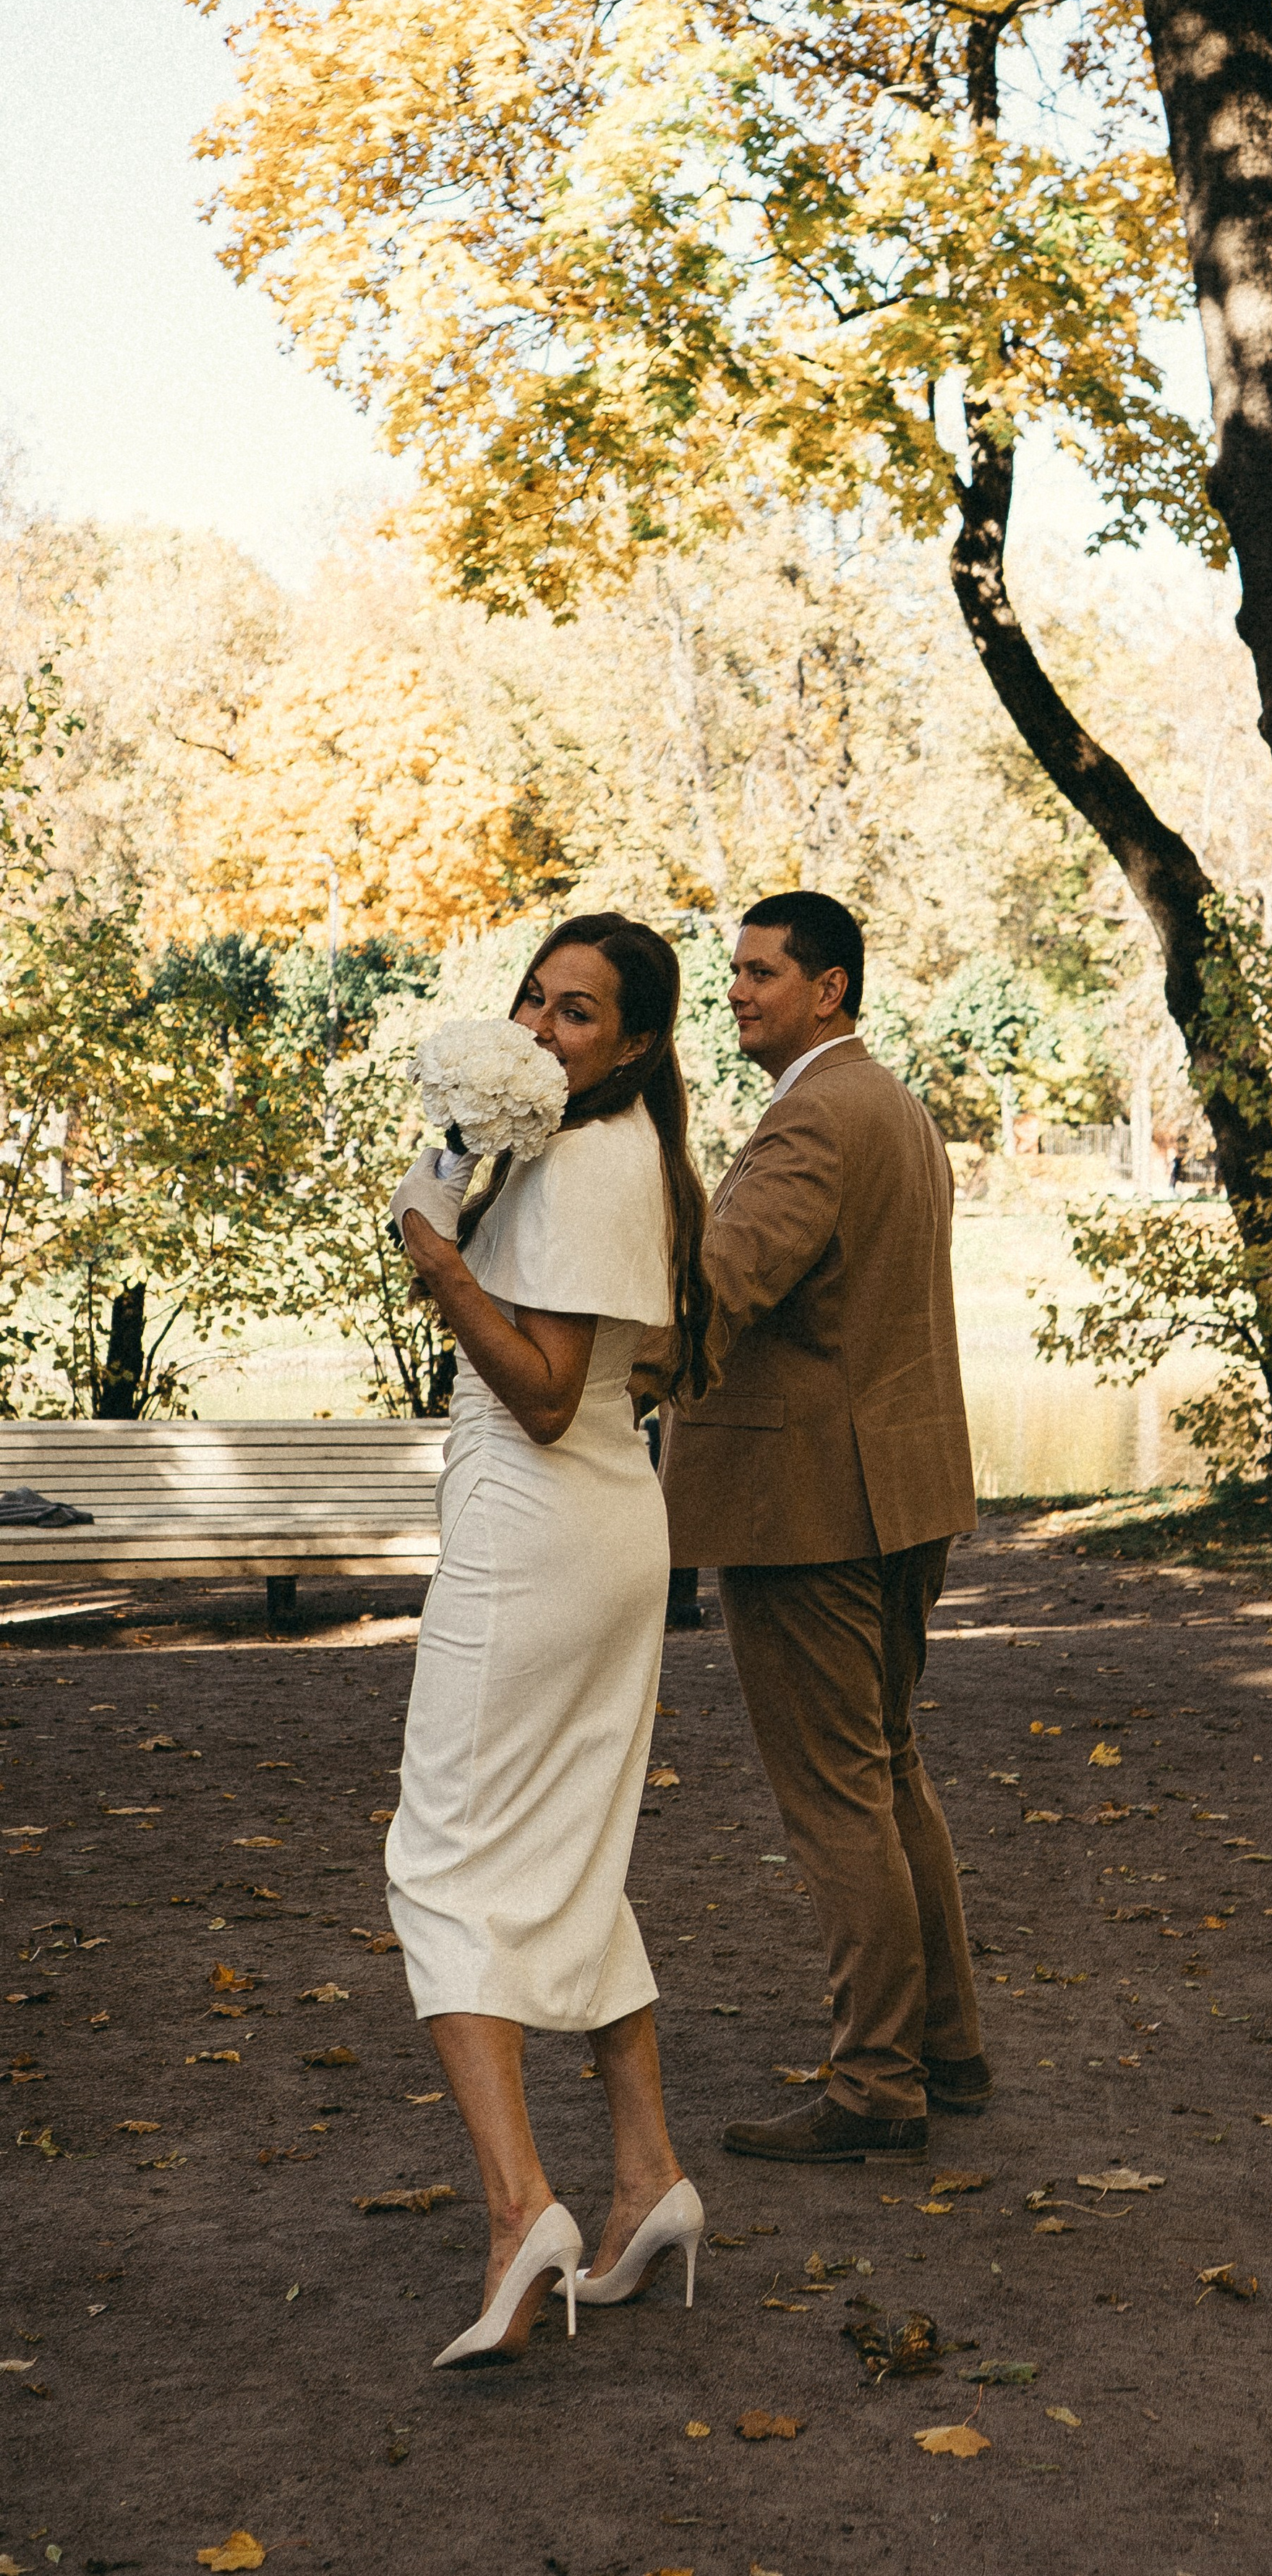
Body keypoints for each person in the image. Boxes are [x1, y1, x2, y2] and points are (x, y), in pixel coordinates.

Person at [387, 914, 714, 2368]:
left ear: (636, 1040)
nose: (543, 1025)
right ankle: (646, 2179)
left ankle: (521, 2208)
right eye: (531, 997)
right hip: (597, 1532)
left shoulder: (590, 1162)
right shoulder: (590, 1141)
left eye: (578, 1012)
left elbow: (535, 1388)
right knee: (568, 1860)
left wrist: (431, 1250)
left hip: (536, 1534)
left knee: (444, 1859)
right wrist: (454, 1148)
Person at [653, 890, 986, 2162]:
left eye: (759, 973)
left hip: (810, 1509)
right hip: (901, 1489)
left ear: (830, 988)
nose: (734, 991)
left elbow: (717, 1293)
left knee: (838, 1798)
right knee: (891, 1771)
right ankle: (946, 2051)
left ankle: (874, 2087)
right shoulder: (891, 1104)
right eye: (731, 972)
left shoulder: (812, 1117)